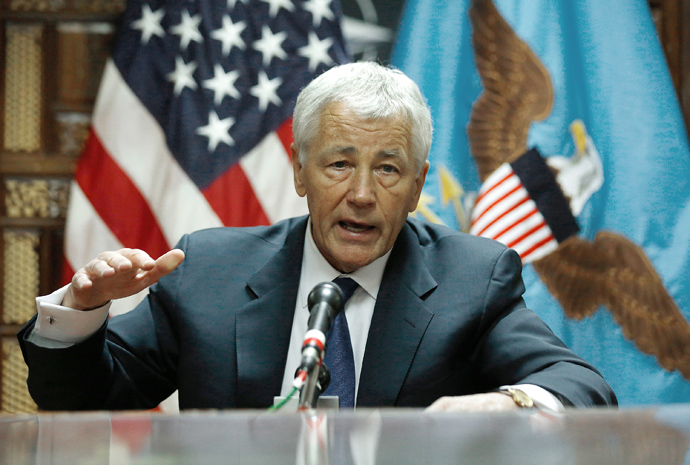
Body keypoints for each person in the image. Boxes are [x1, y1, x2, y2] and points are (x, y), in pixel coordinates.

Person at [18, 62, 616, 412]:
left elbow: (583, 386)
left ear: (416, 186)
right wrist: (82, 310)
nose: (361, 194)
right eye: (337, 165)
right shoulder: (211, 270)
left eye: (387, 168)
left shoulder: (472, 277)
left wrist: (505, 405)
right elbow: (80, 397)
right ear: (299, 171)